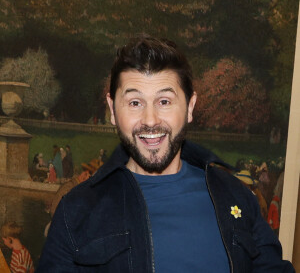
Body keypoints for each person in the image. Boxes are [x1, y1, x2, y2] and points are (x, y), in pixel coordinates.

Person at [37, 36, 294, 272]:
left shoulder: (235, 196)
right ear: (112, 110)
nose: (150, 120)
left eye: (165, 102)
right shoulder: (75, 211)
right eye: (135, 103)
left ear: (190, 107)